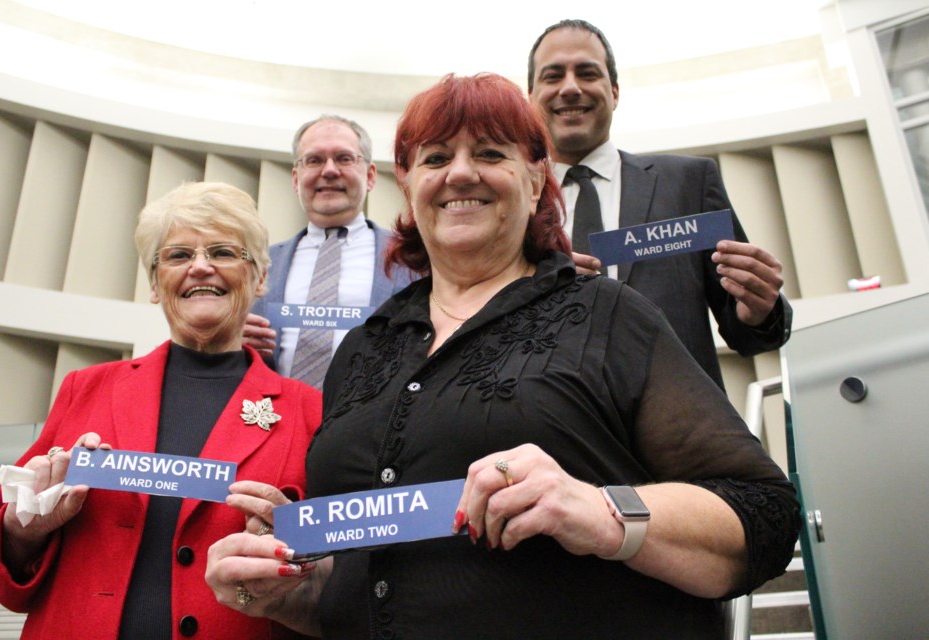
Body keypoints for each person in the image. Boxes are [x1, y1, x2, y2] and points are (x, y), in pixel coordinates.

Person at [204, 74, 800, 639]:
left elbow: (765, 516)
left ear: (537, 180)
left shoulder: (608, 315)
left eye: (490, 154)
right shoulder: (363, 350)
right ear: (408, 185)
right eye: (436, 159)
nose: (460, 174)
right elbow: (367, 581)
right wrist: (288, 592)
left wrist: (601, 511)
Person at [0, 182, 323, 639]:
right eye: (177, 256)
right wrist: (24, 527)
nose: (200, 266)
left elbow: (338, 579)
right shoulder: (86, 388)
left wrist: (296, 545)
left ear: (258, 278)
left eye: (222, 251)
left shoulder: (309, 410)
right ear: (155, 284)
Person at [528, 19, 792, 389]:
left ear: (615, 91)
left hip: (681, 430)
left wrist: (760, 310)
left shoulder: (689, 182)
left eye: (587, 73)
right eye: (553, 76)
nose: (570, 88)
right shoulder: (511, 206)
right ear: (530, 97)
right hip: (555, 435)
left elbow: (748, 334)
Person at [244, 115, 413, 389]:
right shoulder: (258, 264)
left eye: (344, 158)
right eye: (314, 160)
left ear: (370, 176)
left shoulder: (413, 258)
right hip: (276, 418)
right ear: (296, 179)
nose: (330, 170)